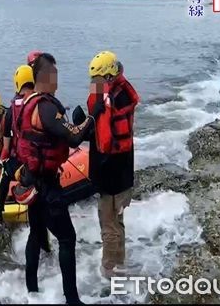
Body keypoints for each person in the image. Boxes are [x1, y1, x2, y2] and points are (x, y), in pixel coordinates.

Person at [16, 53, 105, 305]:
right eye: (54, 74)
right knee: (67, 239)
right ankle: (72, 299)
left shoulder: (26, 103)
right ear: (46, 77)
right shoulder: (45, 107)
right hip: (46, 187)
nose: (57, 79)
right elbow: (74, 137)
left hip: (31, 181)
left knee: (35, 234)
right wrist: (93, 115)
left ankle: (31, 291)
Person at [86, 51, 140, 279]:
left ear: (107, 77)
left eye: (97, 80)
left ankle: (109, 270)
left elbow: (105, 142)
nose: (93, 84)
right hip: (125, 171)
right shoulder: (124, 92)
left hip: (110, 174)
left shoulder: (105, 102)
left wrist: (89, 120)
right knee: (118, 221)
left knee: (108, 223)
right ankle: (120, 262)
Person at [0, 64, 36, 222]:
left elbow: (6, 146)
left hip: (21, 160)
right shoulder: (41, 103)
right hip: (39, 159)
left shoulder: (11, 111)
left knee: (5, 173)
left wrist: (1, 161)